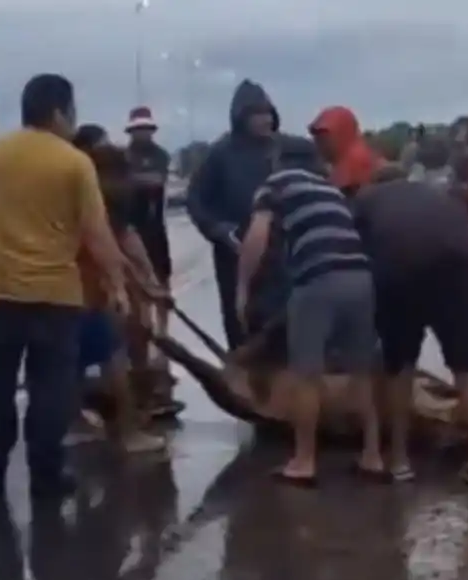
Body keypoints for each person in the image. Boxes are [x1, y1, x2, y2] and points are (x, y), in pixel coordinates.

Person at [0, 74, 126, 498]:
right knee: (50, 391)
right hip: (56, 299)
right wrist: (116, 283)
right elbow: (97, 233)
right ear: (60, 112)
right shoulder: (74, 162)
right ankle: (45, 474)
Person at [236, 157, 379, 486]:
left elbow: (257, 237)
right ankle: (373, 456)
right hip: (360, 277)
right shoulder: (329, 190)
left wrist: (242, 290)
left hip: (318, 279)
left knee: (306, 375)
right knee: (361, 372)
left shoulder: (273, 186)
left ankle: (304, 461)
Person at [354, 164, 468, 488]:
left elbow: (354, 257)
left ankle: (399, 460)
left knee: (399, 363)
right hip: (465, 266)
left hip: (400, 266)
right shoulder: (438, 195)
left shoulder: (366, 199)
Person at [186, 78, 316, 350]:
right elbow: (196, 200)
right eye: (257, 114)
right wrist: (218, 230)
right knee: (240, 322)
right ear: (241, 118)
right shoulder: (220, 154)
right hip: (235, 252)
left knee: (287, 323)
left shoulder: (289, 149)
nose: (264, 120)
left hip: (283, 253)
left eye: (268, 113)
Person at [71, 123, 166, 454]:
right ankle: (127, 432)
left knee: (74, 362)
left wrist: (147, 280)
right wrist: (137, 285)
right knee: (113, 357)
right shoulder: (95, 199)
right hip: (87, 293)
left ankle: (76, 424)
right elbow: (115, 249)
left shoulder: (83, 193)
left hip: (70, 293)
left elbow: (127, 241)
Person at [123, 106, 179, 411]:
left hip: (156, 226)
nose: (142, 134)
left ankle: (162, 329)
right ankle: (143, 326)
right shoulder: (124, 158)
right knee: (139, 279)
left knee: (162, 275)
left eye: (146, 129)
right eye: (137, 130)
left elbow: (155, 183)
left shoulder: (161, 156)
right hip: (134, 226)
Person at [308, 106, 381, 197]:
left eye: (323, 135)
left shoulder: (356, 162)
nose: (317, 140)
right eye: (316, 135)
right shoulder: (340, 163)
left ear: (342, 133)